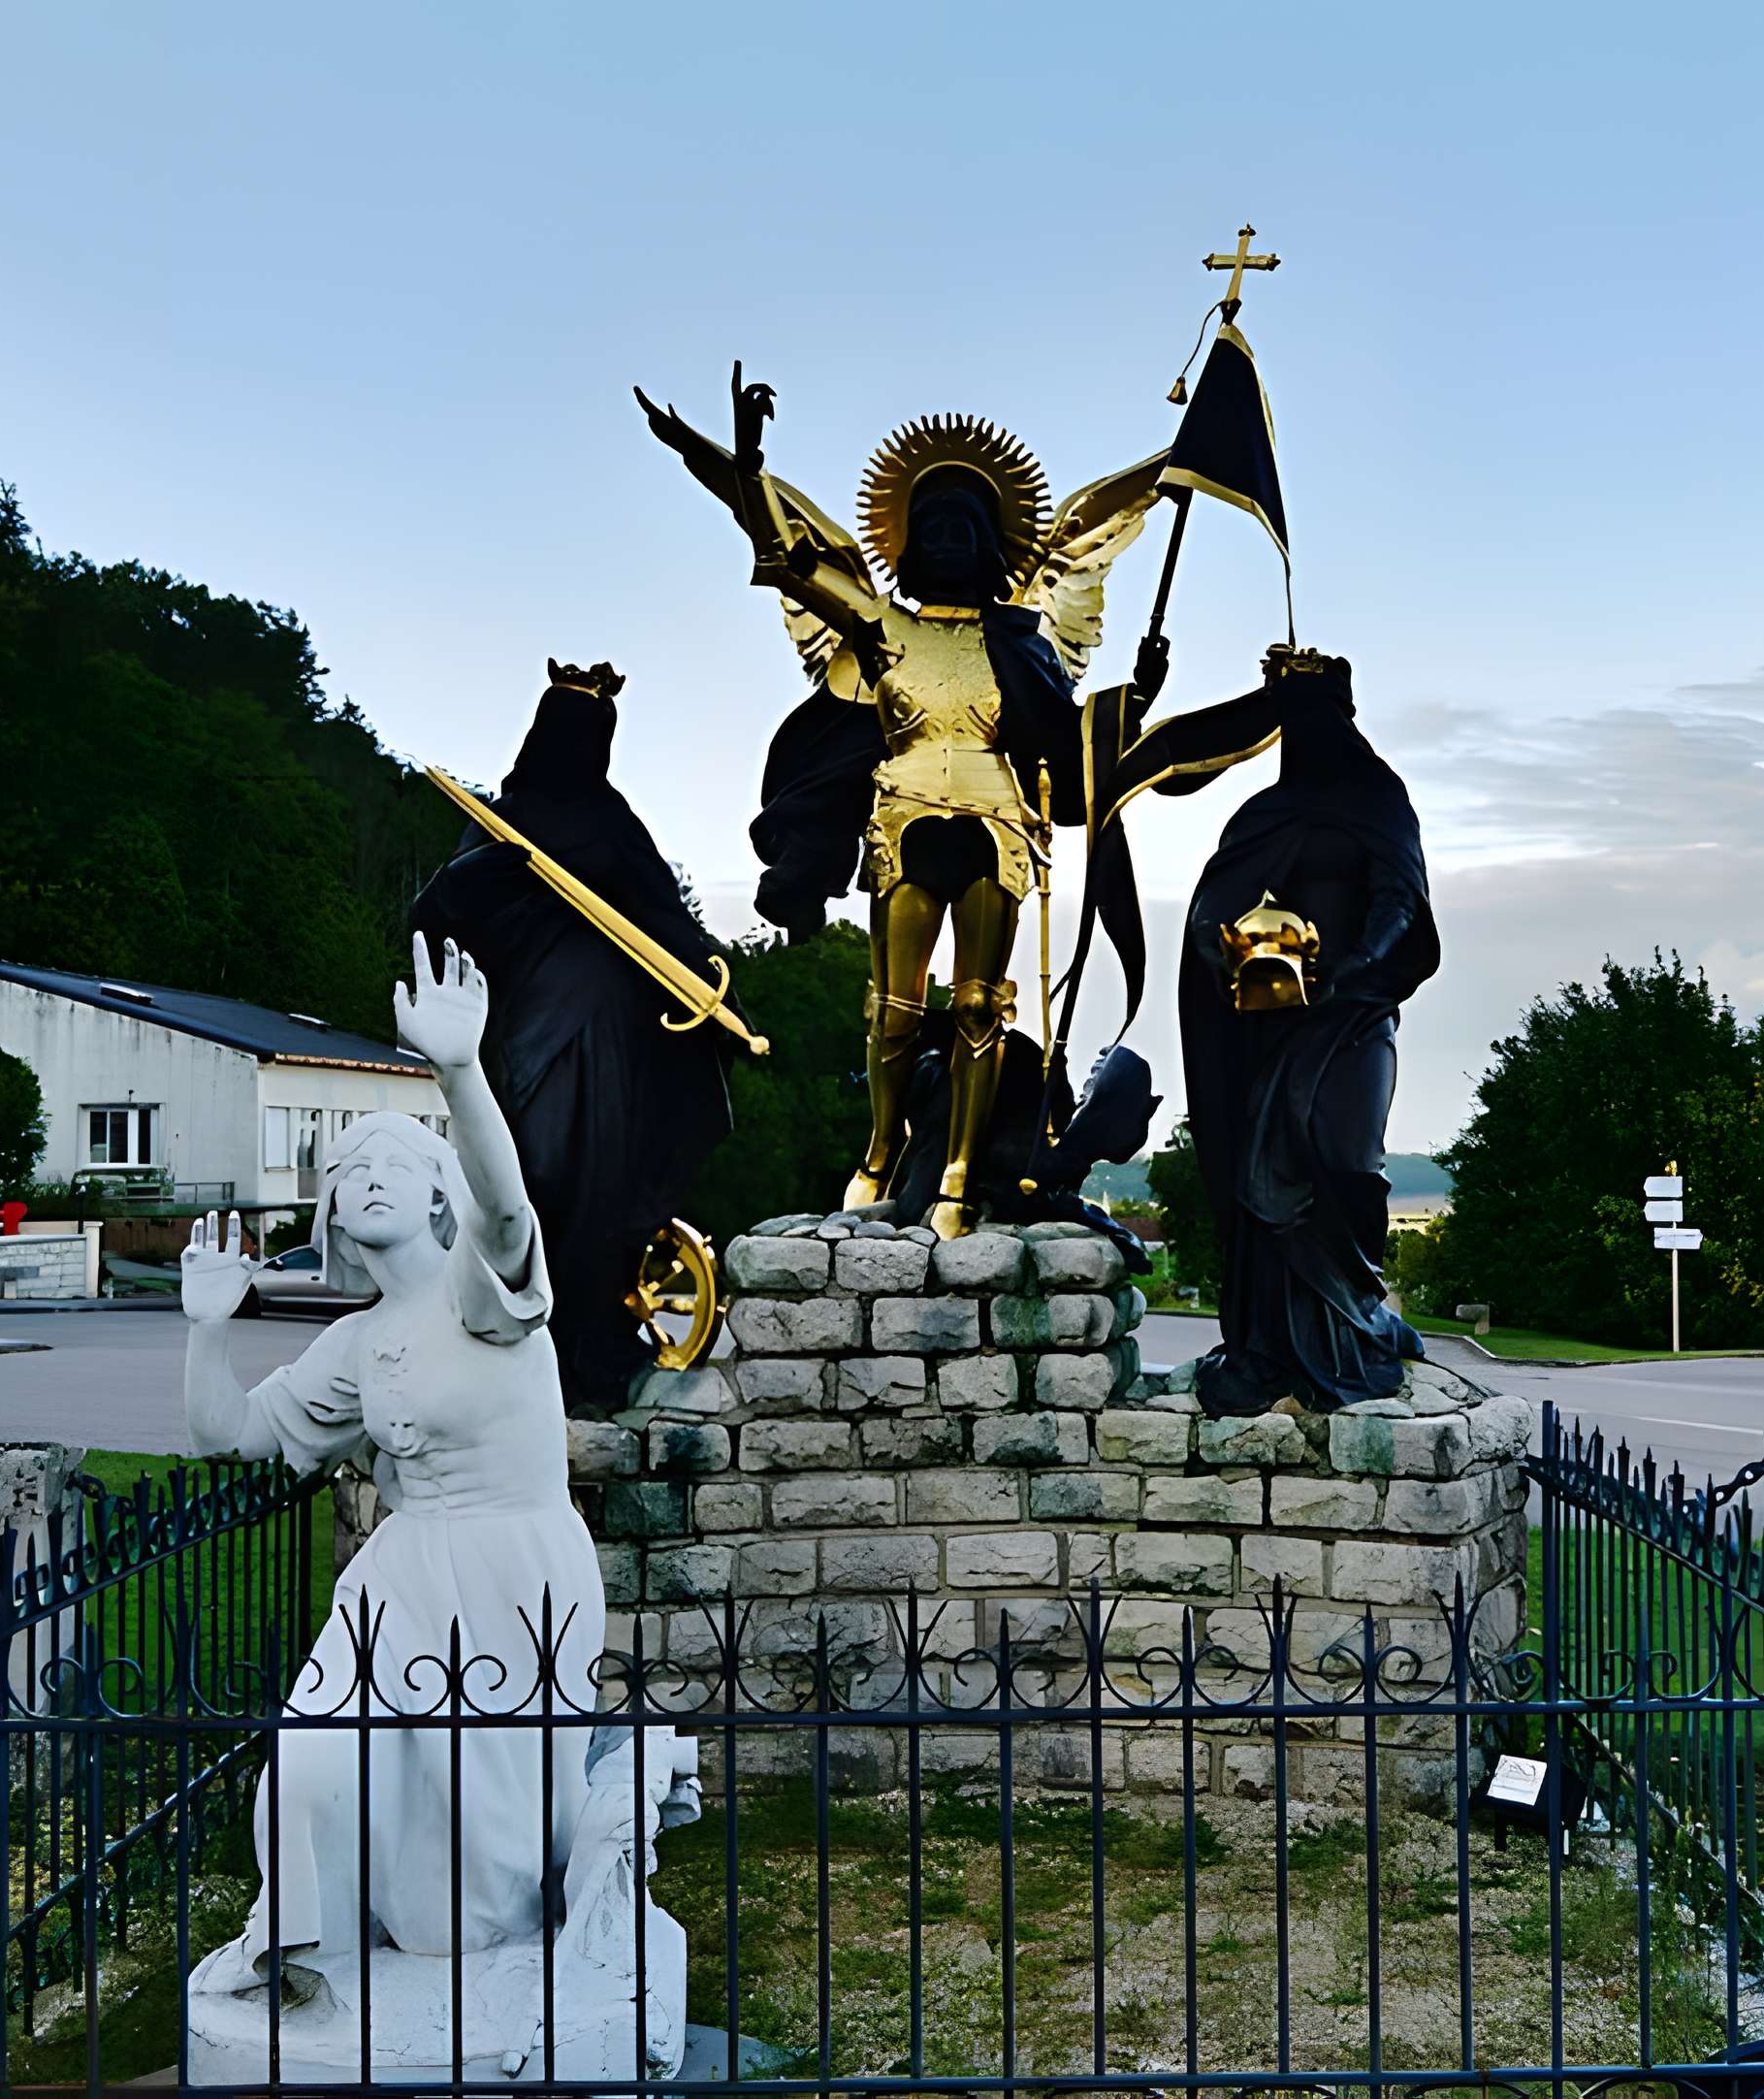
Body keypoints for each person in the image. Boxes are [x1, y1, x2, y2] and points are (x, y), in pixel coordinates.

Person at [638, 369, 1167, 1233]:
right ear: (911, 541)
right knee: (894, 1005)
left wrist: (1132, 700)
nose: (952, 538)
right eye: (935, 525)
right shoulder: (883, 627)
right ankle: (882, 1153)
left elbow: (1066, 734)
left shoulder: (1023, 640)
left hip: (998, 817)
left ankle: (957, 1169)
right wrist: (737, 462)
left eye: (968, 526)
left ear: (995, 542)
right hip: (903, 809)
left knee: (982, 1003)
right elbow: (791, 558)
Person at [177, 934, 600, 2001]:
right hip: (400, 1574)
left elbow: (507, 1211)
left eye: (391, 1167)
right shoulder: (356, 1342)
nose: (363, 1180)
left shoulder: (480, 1290)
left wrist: (457, 1070)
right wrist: (202, 1330)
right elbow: (230, 1436)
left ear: (431, 1198)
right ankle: (297, 1939)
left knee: (464, 1913)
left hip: (515, 1567)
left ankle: (495, 1968)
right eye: (345, 1173)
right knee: (310, 1752)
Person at [408, 662, 732, 1412]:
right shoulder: (499, 820)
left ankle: (598, 1352)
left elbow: (668, 923)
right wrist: (482, 877)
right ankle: (528, 1348)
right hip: (527, 1036)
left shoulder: (615, 825)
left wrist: (715, 988)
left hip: (617, 1042)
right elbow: (437, 916)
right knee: (536, 1179)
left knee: (606, 1190)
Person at [1177, 652, 1441, 1414]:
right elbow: (1210, 911)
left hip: (1355, 1015)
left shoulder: (1380, 797)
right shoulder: (1263, 814)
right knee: (1269, 1179)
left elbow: (1401, 897)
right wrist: (1230, 952)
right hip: (1273, 1026)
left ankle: (1357, 1315)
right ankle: (1269, 1344)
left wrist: (1355, 965)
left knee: (1348, 1162)